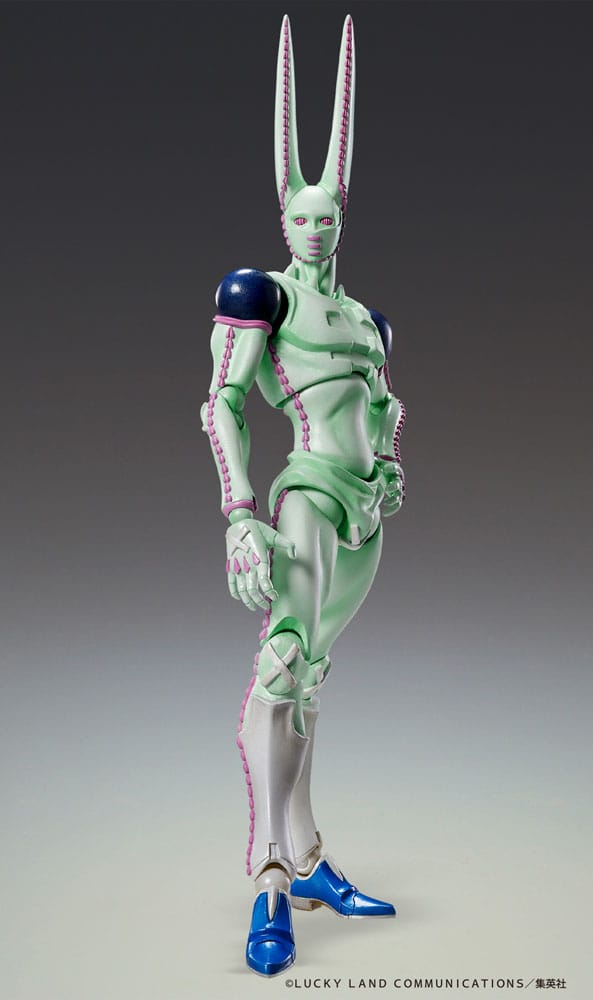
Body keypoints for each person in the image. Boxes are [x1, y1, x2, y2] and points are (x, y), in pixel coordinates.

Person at [202, 15, 406, 977]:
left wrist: (390, 464)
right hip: (307, 498)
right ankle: (270, 877)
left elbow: (384, 405)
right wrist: (240, 516)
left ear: (341, 220)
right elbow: (223, 401)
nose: (316, 227)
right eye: (302, 215)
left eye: (328, 216)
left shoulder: (366, 319)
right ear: (284, 218)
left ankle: (312, 853)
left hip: (364, 515)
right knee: (281, 667)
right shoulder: (264, 297)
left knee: (310, 678)